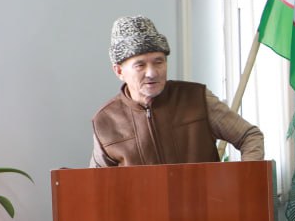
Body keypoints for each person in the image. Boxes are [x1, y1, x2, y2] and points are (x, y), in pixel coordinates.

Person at [91, 16, 264, 166]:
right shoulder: (105, 120)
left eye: (158, 62)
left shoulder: (197, 98)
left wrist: (243, 181)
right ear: (119, 71)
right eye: (140, 65)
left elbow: (249, 136)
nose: (152, 73)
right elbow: (97, 183)